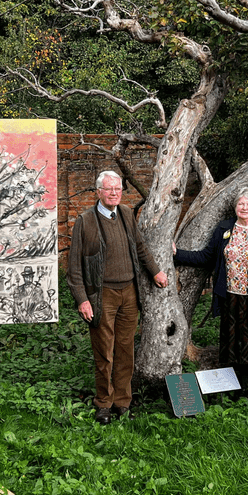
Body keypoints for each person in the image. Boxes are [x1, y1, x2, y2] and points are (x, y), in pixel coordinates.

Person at [67, 170, 168, 424]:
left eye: (118, 189)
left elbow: (140, 246)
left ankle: (123, 401)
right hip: (102, 295)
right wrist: (82, 299)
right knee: (104, 352)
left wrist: (155, 271)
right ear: (98, 191)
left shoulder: (125, 214)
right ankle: (103, 403)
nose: (114, 193)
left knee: (125, 351)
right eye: (109, 189)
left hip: (129, 293)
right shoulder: (85, 221)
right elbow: (74, 268)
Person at [174, 188, 248, 401]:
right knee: (237, 343)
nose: (245, 208)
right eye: (241, 204)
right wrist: (178, 253)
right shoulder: (225, 229)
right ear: (235, 207)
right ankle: (240, 387)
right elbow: (207, 256)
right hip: (231, 297)